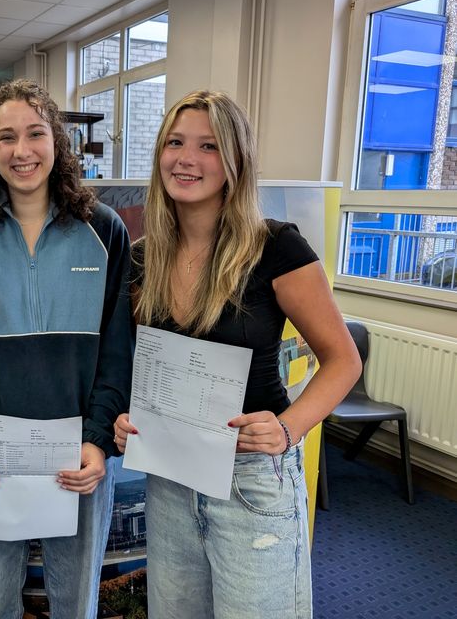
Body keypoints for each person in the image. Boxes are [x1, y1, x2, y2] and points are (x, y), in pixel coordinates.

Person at [114, 90, 361, 619]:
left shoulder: (277, 248)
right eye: (176, 143)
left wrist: (288, 428)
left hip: (252, 477)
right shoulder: (141, 259)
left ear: (235, 161)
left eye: (208, 146)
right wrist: (124, 415)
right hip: (171, 475)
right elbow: (136, 361)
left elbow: (343, 360)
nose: (187, 159)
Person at [0, 78, 133, 619]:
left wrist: (98, 438)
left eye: (36, 134)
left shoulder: (105, 230)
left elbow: (118, 345)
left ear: (57, 142)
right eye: (6, 137)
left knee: (75, 600)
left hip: (80, 454)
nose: (22, 151)